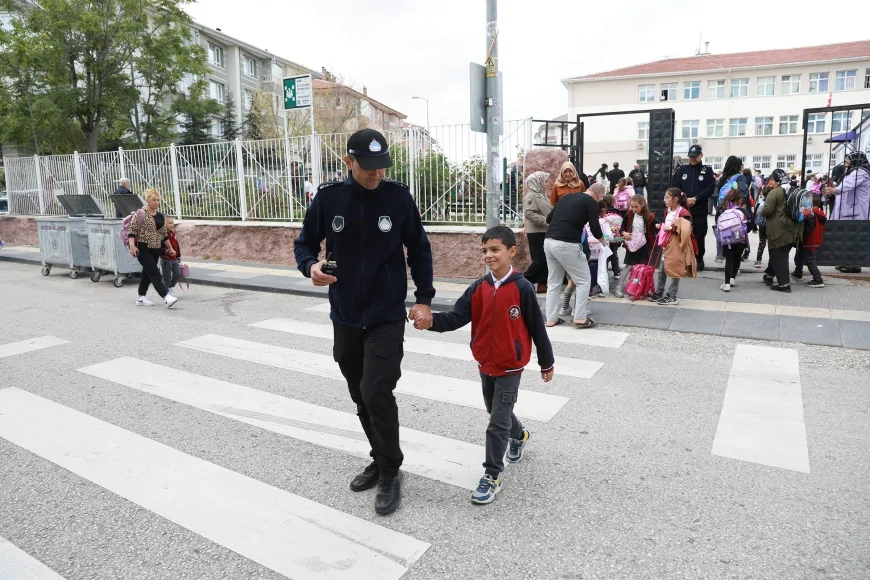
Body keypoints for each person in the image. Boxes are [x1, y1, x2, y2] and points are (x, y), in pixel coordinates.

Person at [293, 128, 435, 516]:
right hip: (345, 314)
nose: (377, 174)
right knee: (359, 392)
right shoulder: (329, 198)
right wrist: (312, 266)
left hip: (387, 313)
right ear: (349, 163)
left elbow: (419, 250)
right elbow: (304, 243)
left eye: (382, 167)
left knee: (376, 390)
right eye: (369, 167)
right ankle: (379, 454)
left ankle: (390, 471)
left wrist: (424, 299)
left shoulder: (398, 197)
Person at [419, 226, 554, 505]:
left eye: (495, 250)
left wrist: (546, 362)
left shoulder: (522, 288)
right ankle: (520, 435)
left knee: (496, 423)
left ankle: (492, 475)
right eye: (484, 251)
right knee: (496, 412)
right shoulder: (478, 288)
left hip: (510, 366)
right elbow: (456, 317)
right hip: (485, 363)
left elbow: (538, 329)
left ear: (511, 252)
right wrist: (431, 321)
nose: (488, 255)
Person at [544, 181, 606, 329]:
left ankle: (551, 319)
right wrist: (603, 242)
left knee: (553, 282)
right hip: (568, 243)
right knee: (584, 280)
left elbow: (548, 219)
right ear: (599, 196)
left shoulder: (566, 197)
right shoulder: (591, 202)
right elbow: (595, 227)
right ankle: (579, 317)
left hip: (549, 241)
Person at [126, 189, 178, 308]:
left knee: (146, 273)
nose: (156, 202)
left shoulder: (160, 216)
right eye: (153, 200)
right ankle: (166, 297)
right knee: (155, 274)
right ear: (147, 200)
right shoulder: (141, 214)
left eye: (158, 200)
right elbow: (132, 230)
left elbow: (164, 234)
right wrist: (132, 246)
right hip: (142, 249)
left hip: (156, 249)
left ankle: (140, 298)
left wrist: (170, 249)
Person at [648, 188, 697, 305]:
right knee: (662, 270)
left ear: (675, 199)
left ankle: (672, 295)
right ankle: (659, 292)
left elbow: (687, 229)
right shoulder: (667, 211)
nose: (664, 200)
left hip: (677, 245)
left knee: (675, 270)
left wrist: (671, 228)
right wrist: (662, 226)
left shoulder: (683, 213)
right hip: (667, 244)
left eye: (667, 197)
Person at [672, 145, 715, 271]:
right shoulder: (682, 170)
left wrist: (695, 198)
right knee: (683, 234)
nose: (692, 159)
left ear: (701, 156)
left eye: (695, 157)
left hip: (699, 209)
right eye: (690, 157)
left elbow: (710, 188)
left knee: (700, 234)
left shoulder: (707, 171)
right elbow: (675, 187)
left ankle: (699, 257)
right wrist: (684, 199)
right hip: (685, 210)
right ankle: (684, 258)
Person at [825, 152, 870, 273]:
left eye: (847, 160)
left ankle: (854, 265)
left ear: (855, 160)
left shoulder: (861, 172)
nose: (845, 162)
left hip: (857, 211)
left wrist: (835, 190)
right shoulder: (852, 171)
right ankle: (845, 261)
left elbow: (848, 185)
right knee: (846, 236)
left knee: (854, 237)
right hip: (849, 210)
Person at [761, 169, 803, 293]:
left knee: (778, 257)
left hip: (778, 230)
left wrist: (761, 211)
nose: (771, 182)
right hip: (793, 229)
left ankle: (784, 284)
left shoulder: (775, 192)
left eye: (772, 180)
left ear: (775, 180)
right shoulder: (793, 189)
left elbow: (767, 210)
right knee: (780, 255)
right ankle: (769, 275)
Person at [615, 195, 658, 298]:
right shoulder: (629, 215)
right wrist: (624, 233)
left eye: (636, 206)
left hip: (645, 245)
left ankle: (644, 288)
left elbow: (656, 227)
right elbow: (621, 229)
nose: (634, 209)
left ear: (643, 204)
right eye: (632, 206)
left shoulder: (650, 216)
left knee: (644, 267)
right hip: (632, 244)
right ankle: (619, 287)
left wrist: (659, 226)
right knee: (629, 266)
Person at [713, 156, 750, 263]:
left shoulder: (723, 178)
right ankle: (733, 263)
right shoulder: (740, 177)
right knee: (736, 234)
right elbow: (743, 193)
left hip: (722, 210)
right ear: (738, 166)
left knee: (722, 230)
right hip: (735, 212)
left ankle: (720, 255)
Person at [522, 171, 552, 293]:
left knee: (546, 258)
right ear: (537, 182)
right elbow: (529, 213)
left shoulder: (542, 195)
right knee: (539, 259)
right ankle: (525, 281)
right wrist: (546, 221)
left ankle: (542, 284)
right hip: (536, 232)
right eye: (544, 181)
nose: (546, 184)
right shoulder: (531, 195)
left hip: (545, 231)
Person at [716, 189, 750, 292]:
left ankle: (726, 284)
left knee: (729, 260)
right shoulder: (742, 210)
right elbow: (750, 225)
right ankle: (732, 278)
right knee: (737, 258)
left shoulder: (722, 210)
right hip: (741, 239)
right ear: (739, 200)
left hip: (728, 240)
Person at [792, 196, 828, 288]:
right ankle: (798, 272)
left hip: (809, 241)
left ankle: (818, 279)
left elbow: (809, 229)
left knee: (810, 261)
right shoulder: (820, 213)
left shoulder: (811, 215)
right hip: (815, 239)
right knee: (799, 256)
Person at [159, 216, 182, 296]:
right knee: (166, 277)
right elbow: (160, 247)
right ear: (164, 224)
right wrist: (166, 251)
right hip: (166, 259)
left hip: (174, 258)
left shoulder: (172, 233)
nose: (172, 225)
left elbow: (176, 244)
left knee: (177, 273)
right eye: (169, 223)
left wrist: (178, 256)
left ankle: (170, 287)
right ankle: (166, 294)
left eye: (172, 223)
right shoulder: (162, 234)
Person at [754, 184, 770, 268]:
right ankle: (772, 260)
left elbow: (755, 215)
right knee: (771, 244)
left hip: (762, 226)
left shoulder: (760, 203)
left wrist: (754, 226)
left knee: (762, 243)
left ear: (763, 194)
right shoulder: (772, 203)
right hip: (771, 226)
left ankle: (758, 260)